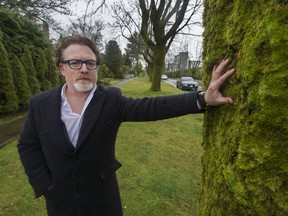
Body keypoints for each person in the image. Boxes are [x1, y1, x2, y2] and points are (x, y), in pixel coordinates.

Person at [17, 35, 235, 216]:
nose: (84, 68)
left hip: (103, 201)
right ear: (62, 69)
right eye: (75, 62)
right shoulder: (41, 104)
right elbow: (28, 144)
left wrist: (202, 99)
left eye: (90, 63)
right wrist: (44, 184)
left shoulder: (110, 100)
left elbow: (152, 107)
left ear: (96, 67)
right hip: (60, 203)